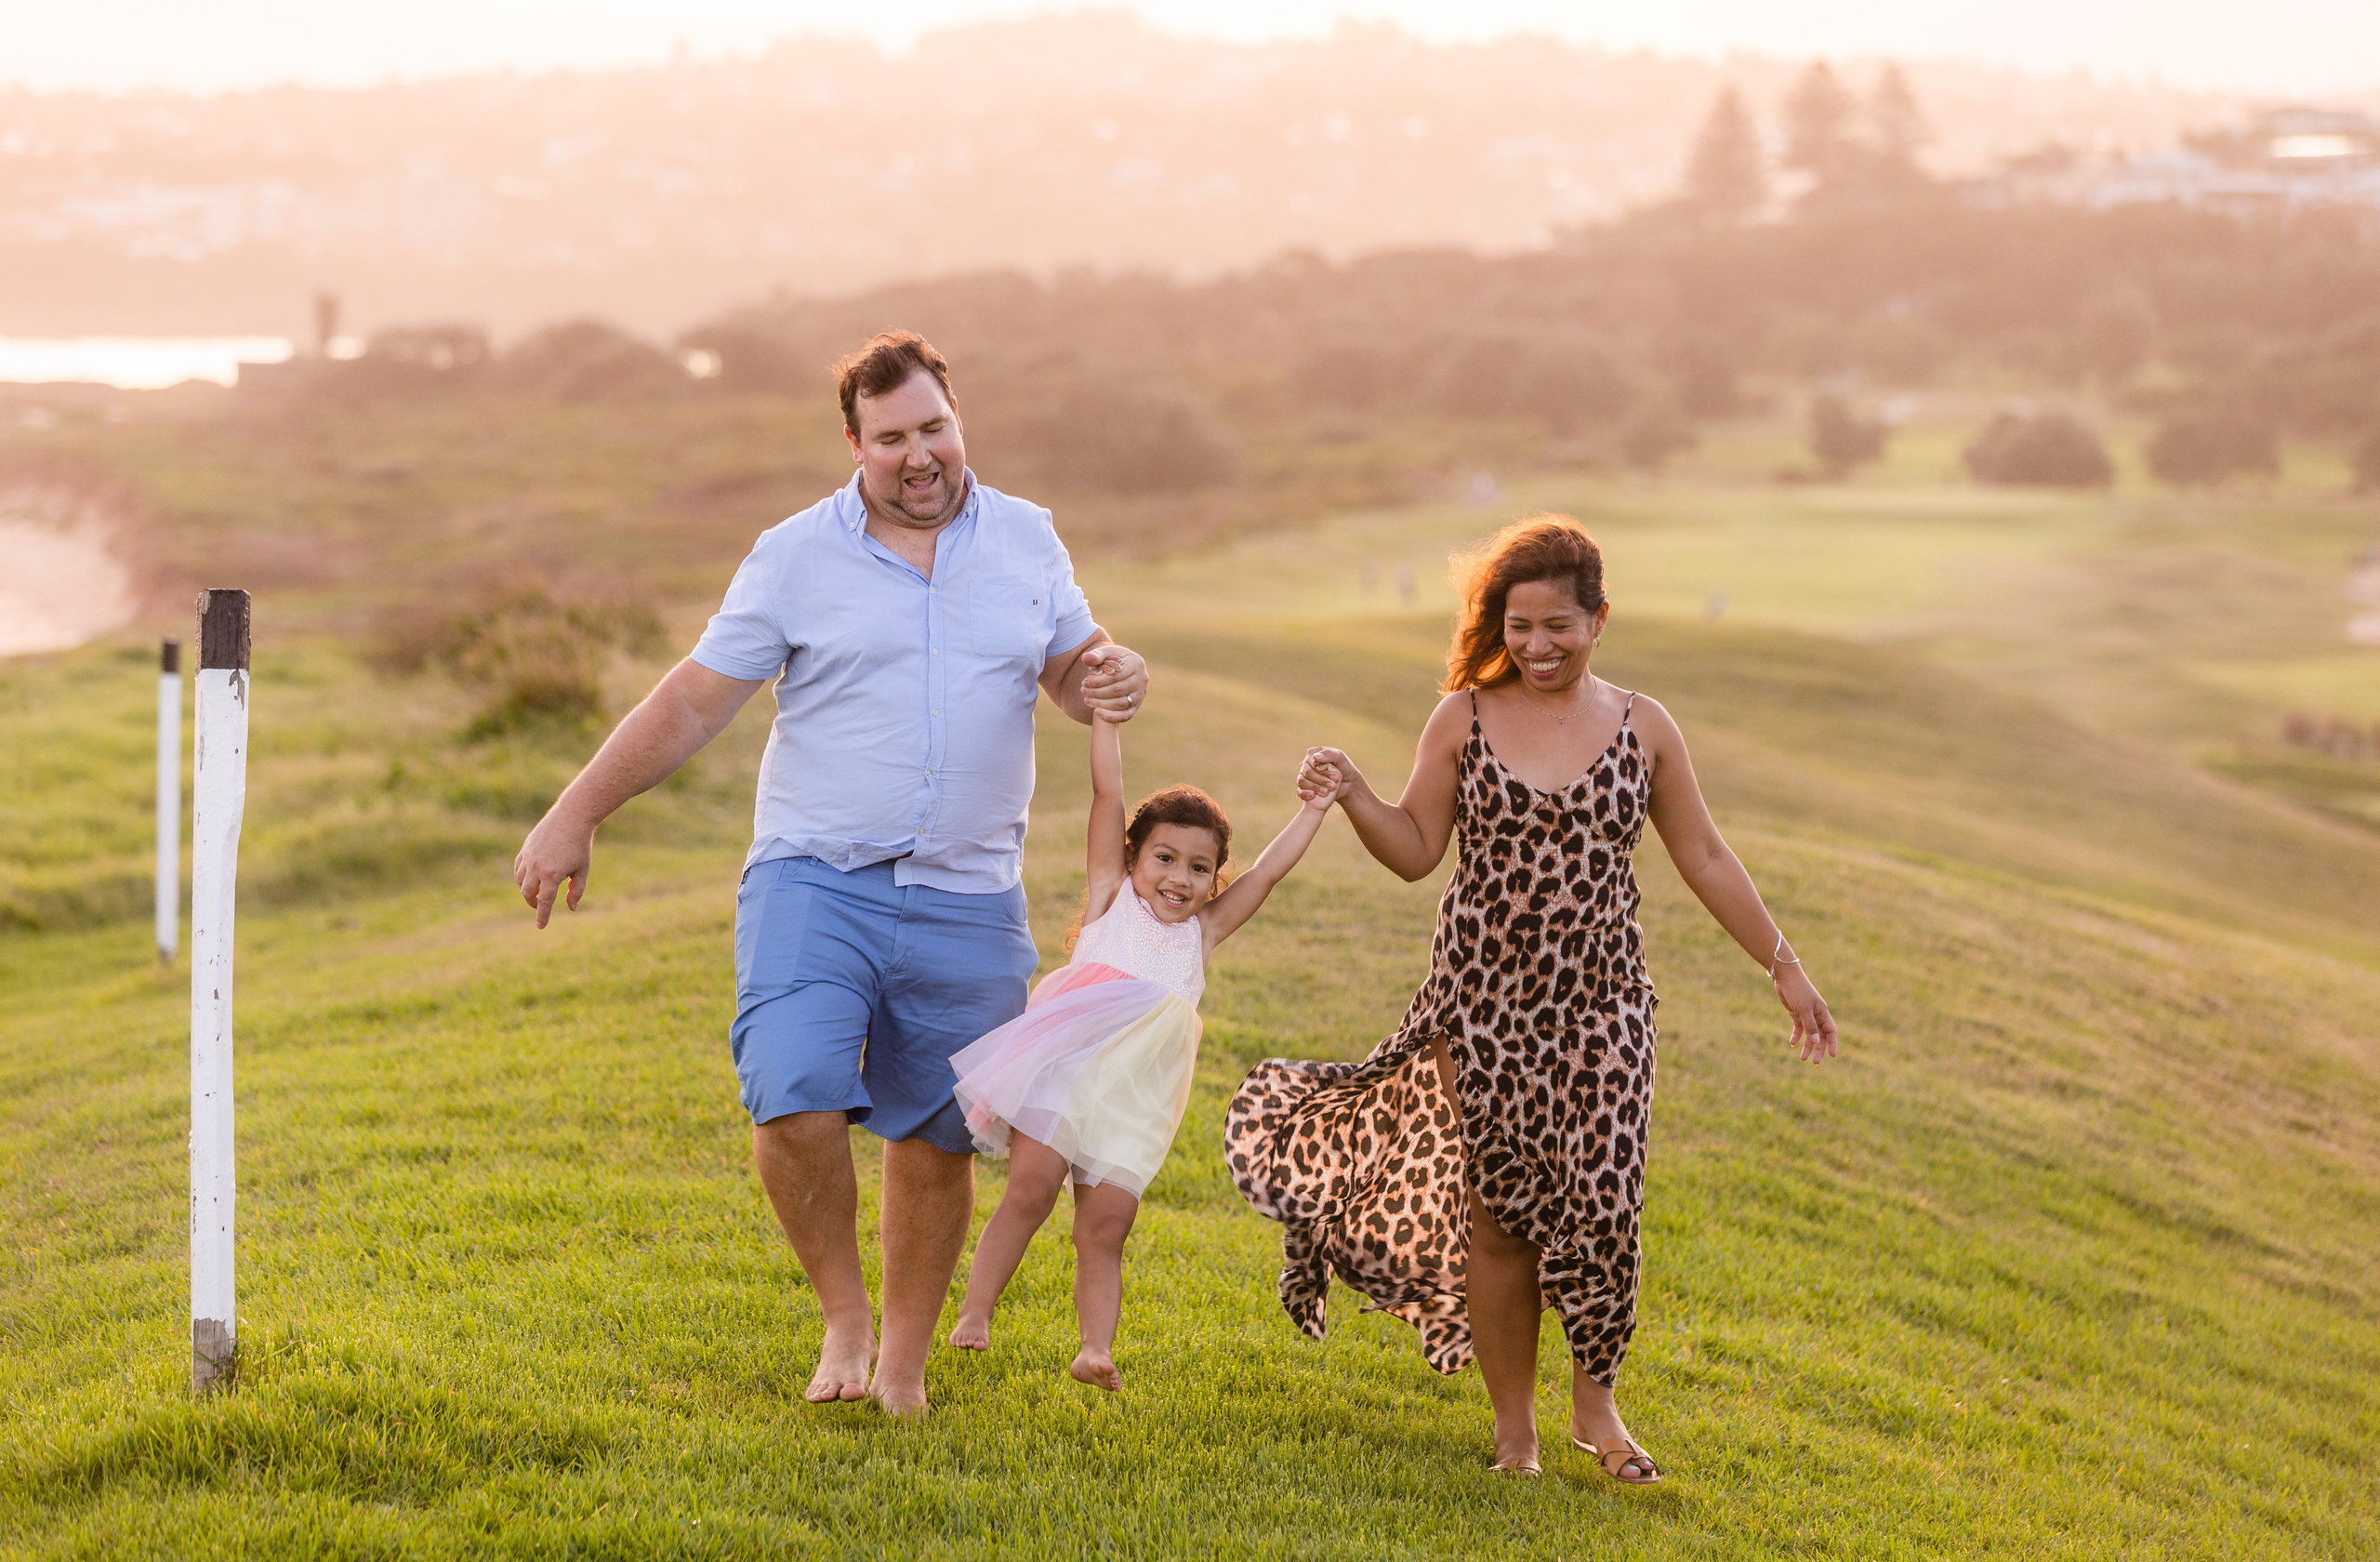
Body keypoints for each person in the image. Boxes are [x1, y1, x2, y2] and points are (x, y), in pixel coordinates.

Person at [510, 330, 1148, 1415]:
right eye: (890, 436)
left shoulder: (1029, 538)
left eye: (933, 428)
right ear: (854, 443)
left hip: (967, 890)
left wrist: (1107, 672)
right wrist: (577, 811)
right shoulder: (793, 555)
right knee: (791, 1098)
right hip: (816, 875)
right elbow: (693, 701)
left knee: (940, 1133)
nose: (918, 455)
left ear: (959, 420)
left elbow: (1068, 673)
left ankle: (901, 1357)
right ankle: (842, 1314)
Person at [1225, 513, 1837, 1479]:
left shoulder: (1644, 726)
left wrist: (1784, 965)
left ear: (1599, 620)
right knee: (1502, 1221)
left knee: (1601, 1207)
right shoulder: (1462, 717)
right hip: (1483, 1014)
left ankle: (1595, 1403)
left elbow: (1707, 857)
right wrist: (1351, 794)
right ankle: (1516, 1431)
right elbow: (1416, 853)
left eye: (1558, 625)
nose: (1537, 647)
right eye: (1517, 627)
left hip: (1604, 1013)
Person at [944, 691, 1340, 1389]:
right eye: (1164, 857)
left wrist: (1314, 808)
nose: (1179, 878)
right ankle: (976, 1312)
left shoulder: (1202, 933)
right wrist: (1106, 720)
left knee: (1107, 1226)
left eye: (1198, 866)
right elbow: (1109, 791)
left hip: (1135, 1099)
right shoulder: (1111, 894)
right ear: (1133, 857)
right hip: (1067, 1067)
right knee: (1032, 1190)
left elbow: (1269, 872)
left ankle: (1095, 1348)